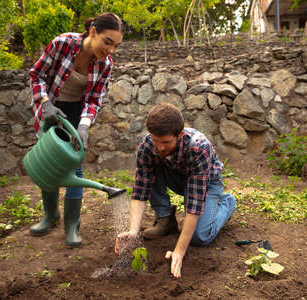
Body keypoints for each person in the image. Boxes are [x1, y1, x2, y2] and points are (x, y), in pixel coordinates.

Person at [28, 12, 124, 247]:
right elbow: (36, 74)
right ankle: (51, 216)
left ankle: (72, 225)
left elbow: (94, 99)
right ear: (93, 32)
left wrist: (83, 127)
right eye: (107, 42)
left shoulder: (105, 64)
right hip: (50, 108)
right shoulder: (63, 43)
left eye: (116, 46)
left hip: (76, 113)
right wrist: (45, 103)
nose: (110, 50)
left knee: (75, 167)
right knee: (47, 162)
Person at [115, 103, 236, 278]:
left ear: (179, 135)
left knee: (199, 237)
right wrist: (133, 231)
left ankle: (227, 203)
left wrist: (179, 251)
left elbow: (194, 205)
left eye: (166, 142)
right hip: (177, 177)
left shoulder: (198, 148)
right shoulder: (148, 146)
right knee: (153, 165)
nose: (160, 147)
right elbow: (141, 190)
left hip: (208, 183)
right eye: (156, 141)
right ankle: (165, 219)